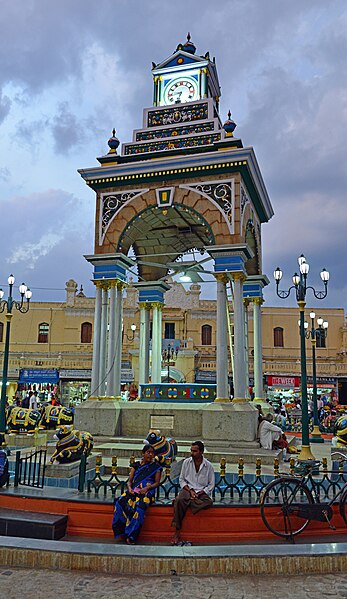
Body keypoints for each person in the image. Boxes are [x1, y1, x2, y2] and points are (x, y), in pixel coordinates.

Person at [112, 444, 162, 545]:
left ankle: (132, 536)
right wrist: (130, 489)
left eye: (152, 453)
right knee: (120, 502)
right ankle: (122, 532)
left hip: (146, 492)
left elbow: (157, 482)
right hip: (133, 490)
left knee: (140, 508)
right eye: (148, 452)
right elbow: (129, 481)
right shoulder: (136, 465)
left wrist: (147, 488)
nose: (150, 455)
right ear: (143, 453)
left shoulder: (156, 467)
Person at [171, 440, 214, 546]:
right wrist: (190, 492)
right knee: (180, 500)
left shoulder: (208, 466)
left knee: (208, 502)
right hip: (187, 489)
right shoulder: (186, 462)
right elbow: (182, 480)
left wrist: (198, 494)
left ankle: (187, 502)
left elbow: (211, 485)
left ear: (201, 452)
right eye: (191, 450)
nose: (192, 453)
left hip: (201, 492)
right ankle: (177, 532)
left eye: (195, 451)